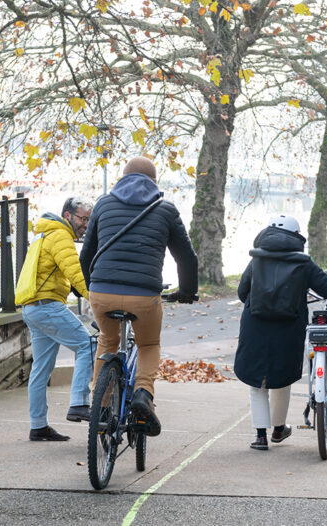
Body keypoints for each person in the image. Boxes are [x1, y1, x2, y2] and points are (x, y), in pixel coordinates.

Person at [80, 156, 198, 437]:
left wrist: (91, 287)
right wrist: (187, 291)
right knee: (148, 344)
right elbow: (186, 258)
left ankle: (101, 406)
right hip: (144, 295)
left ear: (122, 178)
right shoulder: (165, 209)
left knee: (107, 340)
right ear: (154, 182)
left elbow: (86, 254)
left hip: (102, 291)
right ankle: (143, 394)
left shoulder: (103, 204)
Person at [234, 215, 327, 451]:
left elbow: (242, 291)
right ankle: (279, 429)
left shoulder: (256, 259)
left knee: (257, 381)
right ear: (296, 238)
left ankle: (260, 437)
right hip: (288, 327)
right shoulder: (302, 263)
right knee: (281, 377)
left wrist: (258, 307)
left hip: (255, 325)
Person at [20, 197, 94, 442]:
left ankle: (38, 426)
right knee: (87, 345)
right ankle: (79, 403)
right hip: (47, 305)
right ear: (68, 215)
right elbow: (75, 272)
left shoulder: (44, 234)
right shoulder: (60, 236)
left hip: (33, 307)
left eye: (88, 220)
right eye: (82, 219)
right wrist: (94, 298)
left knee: (40, 370)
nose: (85, 224)